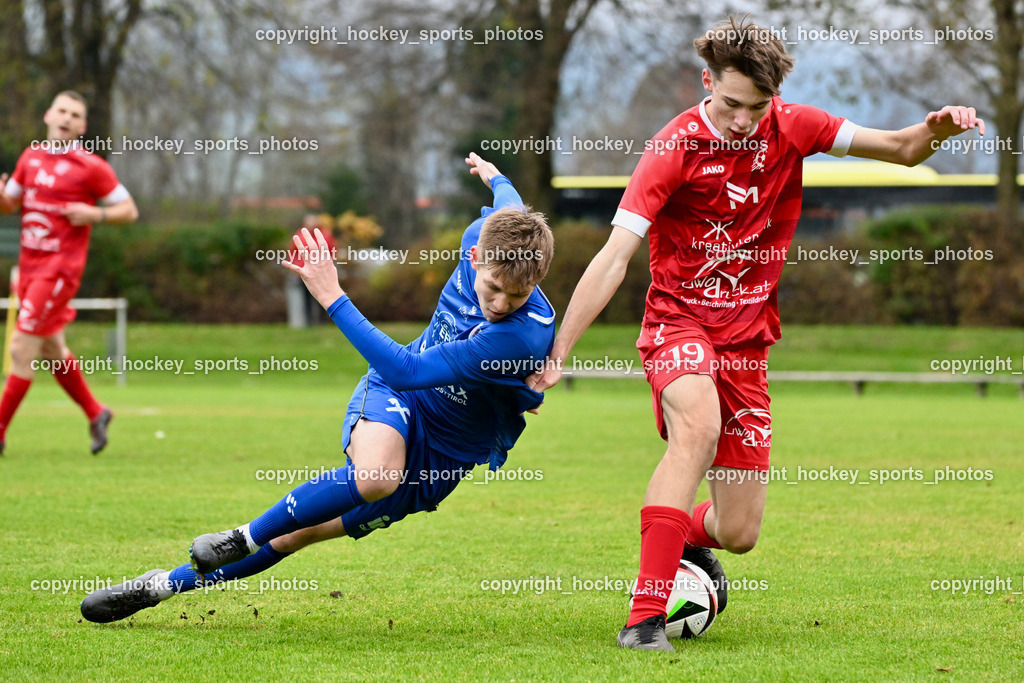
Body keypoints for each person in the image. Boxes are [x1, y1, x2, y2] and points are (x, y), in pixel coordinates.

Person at [526, 15, 985, 651]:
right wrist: (560, 352)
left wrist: (934, 131)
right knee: (698, 429)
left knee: (739, 531)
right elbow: (614, 255)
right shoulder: (673, 148)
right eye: (732, 104)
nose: (744, 121)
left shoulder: (795, 127)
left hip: (746, 343)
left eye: (757, 107)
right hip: (677, 323)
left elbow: (904, 148)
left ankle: (676, 534)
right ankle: (644, 618)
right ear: (707, 81)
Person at [80, 152, 556, 623]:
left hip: (445, 453)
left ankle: (160, 585)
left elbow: (412, 367)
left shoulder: (520, 333)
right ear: (474, 255)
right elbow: (508, 202)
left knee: (292, 537)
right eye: (493, 288)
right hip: (399, 393)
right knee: (375, 476)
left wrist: (332, 295)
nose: (501, 303)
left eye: (517, 295)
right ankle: (243, 535)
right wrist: (496, 175)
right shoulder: (487, 234)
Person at [0, 91, 139, 456]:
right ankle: (97, 412)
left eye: (74, 114)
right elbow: (10, 203)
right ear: (48, 114)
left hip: (58, 272)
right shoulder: (29, 158)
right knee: (52, 349)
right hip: (28, 269)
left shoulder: (90, 167)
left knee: (19, 347)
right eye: (61, 110)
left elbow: (129, 210)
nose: (66, 118)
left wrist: (95, 214)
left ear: (82, 126)